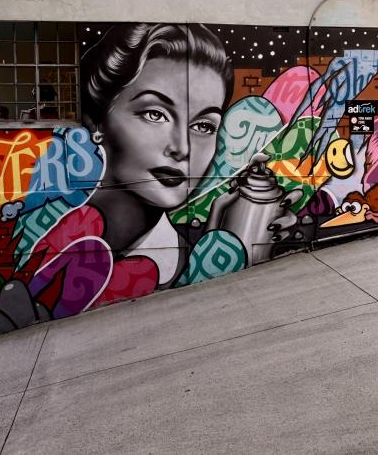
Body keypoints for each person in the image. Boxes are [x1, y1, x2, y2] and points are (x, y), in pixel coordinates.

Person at [25, 23, 234, 317]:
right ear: (97, 120)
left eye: (203, 126)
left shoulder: (189, 254)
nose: (182, 148)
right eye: (155, 114)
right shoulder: (53, 245)